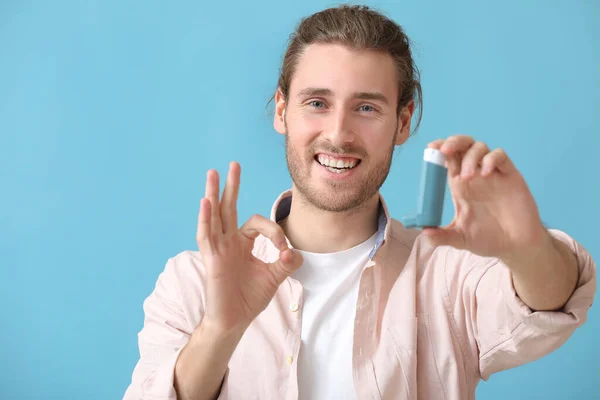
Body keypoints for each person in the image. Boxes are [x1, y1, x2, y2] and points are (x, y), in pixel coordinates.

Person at [123, 5, 596, 400]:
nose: (339, 134)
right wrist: (220, 328)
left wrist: (526, 246)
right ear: (283, 110)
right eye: (317, 103)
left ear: (404, 121)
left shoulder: (446, 273)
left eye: (366, 107)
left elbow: (548, 303)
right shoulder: (192, 284)